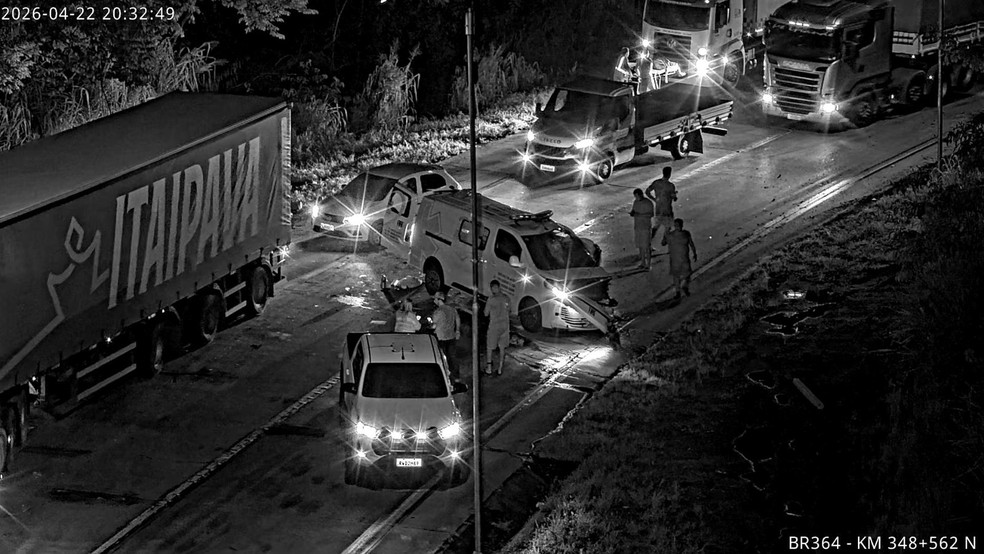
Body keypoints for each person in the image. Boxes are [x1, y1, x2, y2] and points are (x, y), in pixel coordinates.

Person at [662, 218, 698, 299]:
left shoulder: (674, 235)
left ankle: (680, 290)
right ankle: (680, 290)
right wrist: (694, 253)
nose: (678, 227)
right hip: (680, 258)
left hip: (678, 258)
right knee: (683, 275)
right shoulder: (683, 234)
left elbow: (663, 243)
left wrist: (666, 234)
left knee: (680, 275)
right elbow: (691, 244)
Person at [431, 291, 462, 382]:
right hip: (451, 337)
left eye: (435, 299)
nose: (434, 300)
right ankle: (456, 377)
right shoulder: (452, 309)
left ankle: (444, 376)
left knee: (441, 358)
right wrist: (457, 331)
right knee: (452, 357)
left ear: (439, 300)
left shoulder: (437, 312)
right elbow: (458, 320)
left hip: (441, 338)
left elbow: (434, 325)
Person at [483, 279, 510, 376]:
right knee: (502, 347)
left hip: (494, 326)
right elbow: (509, 310)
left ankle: (489, 368)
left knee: (490, 347)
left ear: (492, 288)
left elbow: (486, 314)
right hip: (505, 326)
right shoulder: (506, 298)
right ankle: (500, 368)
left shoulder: (491, 299)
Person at [645, 166, 678, 247]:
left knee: (656, 226)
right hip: (667, 209)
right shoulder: (670, 186)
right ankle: (664, 239)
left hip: (659, 208)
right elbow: (674, 198)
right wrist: (674, 195)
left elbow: (647, 191)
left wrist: (654, 199)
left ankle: (648, 242)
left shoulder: (656, 182)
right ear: (669, 174)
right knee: (668, 226)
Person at [629, 188, 655, 269]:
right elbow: (633, 210)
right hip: (638, 227)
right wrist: (632, 213)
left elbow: (651, 214)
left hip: (646, 227)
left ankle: (649, 264)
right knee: (640, 246)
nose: (636, 198)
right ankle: (643, 262)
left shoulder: (648, 203)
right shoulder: (635, 202)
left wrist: (639, 215)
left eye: (637, 196)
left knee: (647, 246)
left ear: (641, 194)